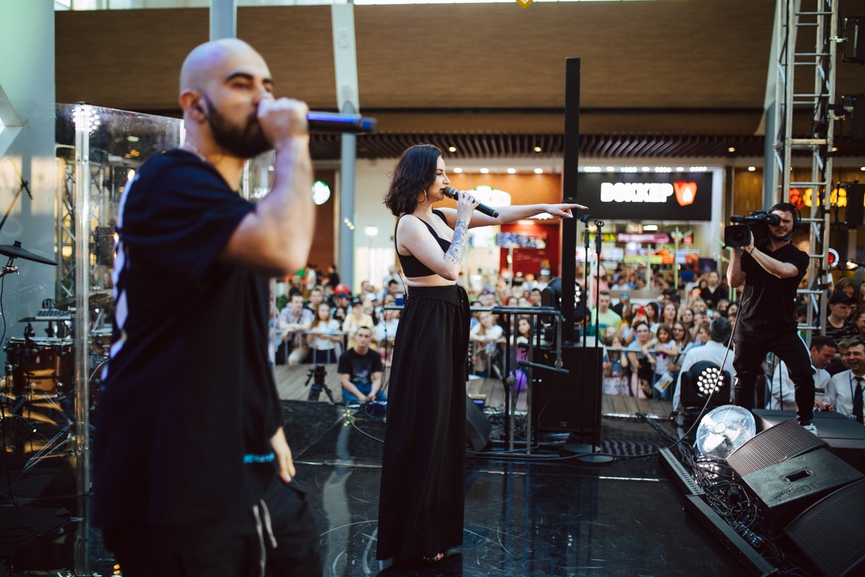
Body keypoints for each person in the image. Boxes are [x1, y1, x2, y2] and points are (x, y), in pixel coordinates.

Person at [93, 39, 321, 575]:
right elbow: (285, 250)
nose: (263, 100)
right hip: (172, 475)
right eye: (242, 85)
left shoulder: (228, 207)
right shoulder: (169, 180)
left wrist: (266, 422)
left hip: (236, 462)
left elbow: (235, 331)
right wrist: (292, 142)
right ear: (194, 105)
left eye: (268, 87)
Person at [377, 143, 584, 563]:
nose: (447, 180)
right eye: (439, 173)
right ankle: (415, 535)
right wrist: (464, 221)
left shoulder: (438, 216)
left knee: (445, 423)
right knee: (427, 423)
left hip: (447, 318)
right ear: (419, 179)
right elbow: (449, 268)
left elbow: (499, 215)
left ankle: (435, 529)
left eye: (446, 172)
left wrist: (544, 207)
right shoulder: (409, 225)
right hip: (427, 323)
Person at [726, 202, 817, 433]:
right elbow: (734, 281)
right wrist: (736, 249)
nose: (781, 225)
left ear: (794, 224)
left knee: (803, 373)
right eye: (776, 220)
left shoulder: (798, 256)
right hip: (750, 326)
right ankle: (743, 426)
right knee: (744, 379)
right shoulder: (751, 250)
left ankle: (806, 422)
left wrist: (752, 250)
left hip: (782, 328)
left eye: (786, 221)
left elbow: (782, 271)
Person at [672, 318, 736, 412]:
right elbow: (735, 388)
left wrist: (677, 409)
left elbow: (681, 385)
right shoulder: (732, 356)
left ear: (708, 332)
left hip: (695, 407)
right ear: (728, 336)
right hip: (723, 410)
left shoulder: (694, 353)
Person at [767, 336, 836, 411]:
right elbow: (777, 390)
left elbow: (824, 398)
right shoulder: (788, 365)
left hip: (808, 416)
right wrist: (806, 399)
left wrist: (825, 406)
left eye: (831, 357)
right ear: (813, 351)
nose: (829, 361)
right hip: (780, 414)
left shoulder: (826, 376)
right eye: (826, 356)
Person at [337, 326, 385, 404]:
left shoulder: (375, 355)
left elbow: (377, 379)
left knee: (385, 401)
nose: (363, 339)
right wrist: (360, 396)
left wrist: (373, 393)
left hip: (368, 385)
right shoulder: (345, 356)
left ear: (370, 338)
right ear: (355, 336)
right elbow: (345, 381)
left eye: (366, 336)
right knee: (355, 404)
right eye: (360, 335)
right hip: (352, 387)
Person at [824, 340, 865, 423]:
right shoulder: (837, 379)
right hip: (843, 427)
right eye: (849, 354)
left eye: (856, 354)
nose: (851, 357)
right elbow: (830, 406)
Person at [280, 293, 314, 365]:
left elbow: (306, 326)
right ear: (290, 303)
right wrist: (295, 326)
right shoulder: (285, 311)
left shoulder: (307, 312)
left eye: (301, 302)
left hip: (302, 346)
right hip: (287, 345)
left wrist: (288, 329)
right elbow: (281, 325)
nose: (299, 304)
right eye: (296, 302)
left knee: (293, 360)